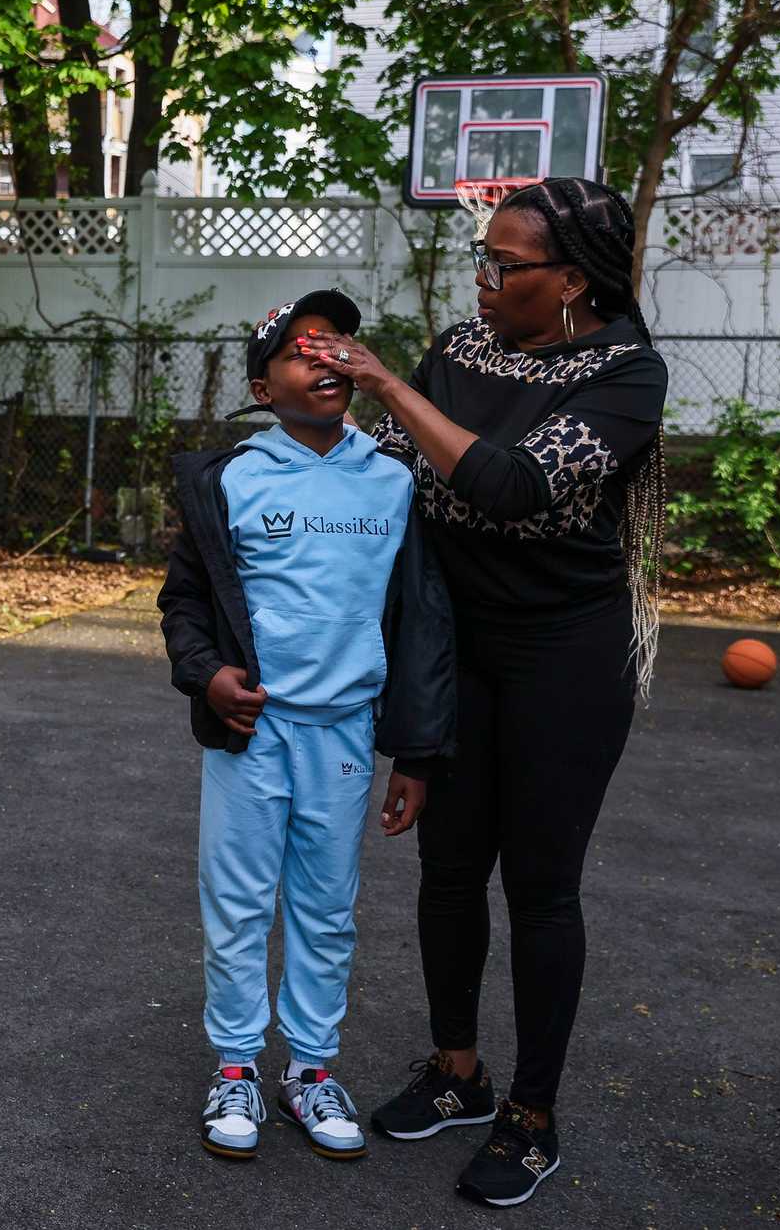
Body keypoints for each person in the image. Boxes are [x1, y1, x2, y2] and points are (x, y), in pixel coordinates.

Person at [305, 177, 668, 1208]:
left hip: (563, 652)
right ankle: (457, 1071)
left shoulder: (624, 372)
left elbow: (507, 481)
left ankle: (532, 1116)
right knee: (448, 867)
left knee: (541, 887)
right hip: (452, 644)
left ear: (570, 282)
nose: (484, 277)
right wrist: (282, 436)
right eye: (484, 255)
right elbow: (394, 466)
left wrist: (386, 385)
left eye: (506, 266)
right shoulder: (460, 351)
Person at [158, 289, 455, 1165]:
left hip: (345, 736)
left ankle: (312, 1069)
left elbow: (418, 621)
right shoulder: (228, 481)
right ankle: (239, 1066)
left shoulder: (393, 479)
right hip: (253, 736)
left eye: (337, 346)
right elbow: (184, 602)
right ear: (261, 385)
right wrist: (207, 675)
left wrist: (417, 748)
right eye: (300, 350)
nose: (324, 361)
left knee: (327, 911)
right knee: (240, 904)